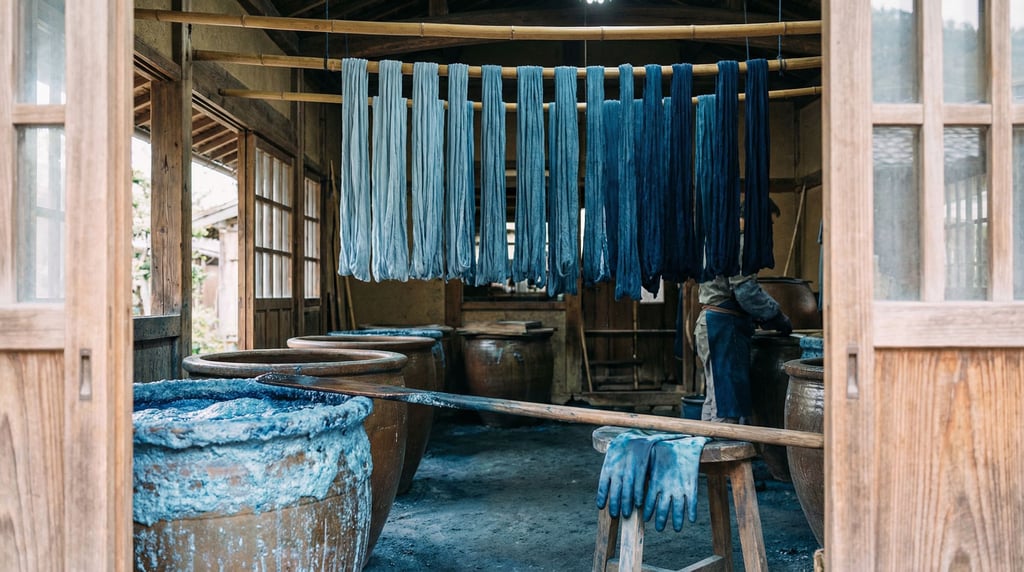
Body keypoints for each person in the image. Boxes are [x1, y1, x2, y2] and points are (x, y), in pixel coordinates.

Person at [694, 203, 791, 423]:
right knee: (727, 405)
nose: (769, 230)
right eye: (769, 223)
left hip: (711, 323)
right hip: (723, 327)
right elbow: (746, 292)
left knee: (715, 398)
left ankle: (707, 442)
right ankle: (722, 445)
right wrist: (776, 316)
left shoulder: (718, 238)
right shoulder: (739, 241)